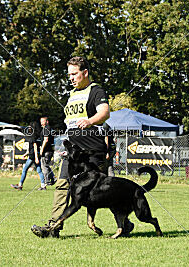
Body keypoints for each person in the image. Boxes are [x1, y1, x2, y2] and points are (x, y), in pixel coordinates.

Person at [31, 56, 134, 238]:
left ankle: (125, 224)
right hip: (73, 154)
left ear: (84, 72)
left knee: (105, 191)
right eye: (68, 74)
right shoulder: (71, 95)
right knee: (62, 187)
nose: (70, 78)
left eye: (74, 74)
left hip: (91, 153)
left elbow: (104, 113)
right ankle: (53, 227)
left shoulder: (95, 91)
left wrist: (90, 121)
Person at [11, 121, 46, 190]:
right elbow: (34, 147)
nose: (29, 128)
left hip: (33, 156)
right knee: (39, 170)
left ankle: (20, 185)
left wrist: (35, 157)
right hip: (35, 154)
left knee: (24, 170)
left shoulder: (33, 135)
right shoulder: (39, 135)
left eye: (30, 126)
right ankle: (43, 185)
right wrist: (26, 154)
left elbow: (35, 146)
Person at [39, 116, 55, 185]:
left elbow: (46, 140)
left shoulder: (46, 128)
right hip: (50, 150)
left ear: (47, 121)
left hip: (46, 150)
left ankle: (46, 181)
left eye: (43, 121)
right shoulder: (50, 128)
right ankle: (53, 178)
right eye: (41, 121)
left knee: (44, 166)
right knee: (46, 165)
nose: (41, 123)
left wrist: (41, 149)